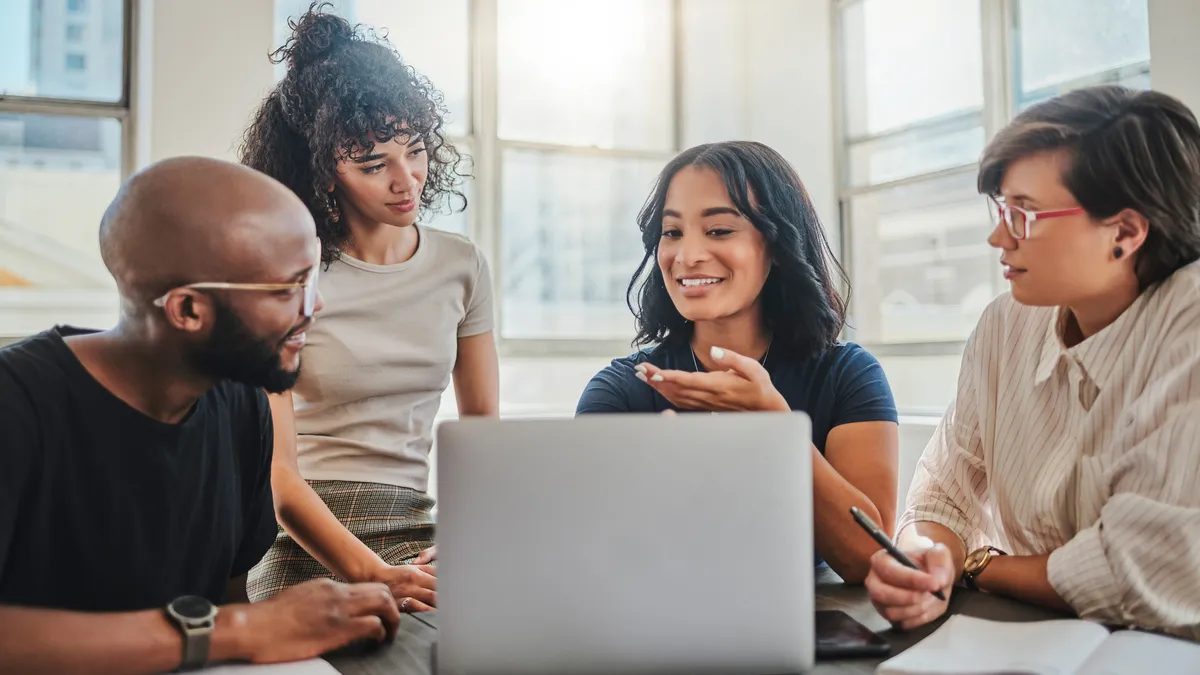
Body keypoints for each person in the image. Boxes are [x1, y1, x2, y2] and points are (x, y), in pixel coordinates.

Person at [0, 157, 401, 674]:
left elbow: (229, 612)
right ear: (188, 310)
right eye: (288, 289)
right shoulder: (16, 406)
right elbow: (230, 626)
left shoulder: (241, 405)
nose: (314, 305)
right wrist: (240, 630)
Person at [864, 85, 1200, 641]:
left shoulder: (1187, 322)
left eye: (1024, 214)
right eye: (1002, 208)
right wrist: (929, 558)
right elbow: (943, 493)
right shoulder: (1006, 323)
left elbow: (1135, 568)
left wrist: (975, 566)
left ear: (1125, 232)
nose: (999, 236)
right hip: (1031, 639)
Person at [239, 4, 498, 609]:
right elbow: (281, 482)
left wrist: (471, 536)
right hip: (305, 541)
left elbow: (483, 430)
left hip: (419, 531)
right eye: (373, 164)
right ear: (325, 172)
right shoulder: (289, 276)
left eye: (414, 150)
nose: (405, 180)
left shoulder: (462, 266)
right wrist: (374, 573)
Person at [576, 141, 899, 583]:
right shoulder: (621, 389)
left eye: (719, 231)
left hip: (808, 629)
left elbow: (872, 560)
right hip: (657, 624)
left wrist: (777, 428)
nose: (687, 256)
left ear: (778, 244)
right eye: (672, 233)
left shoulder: (847, 375)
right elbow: (594, 555)